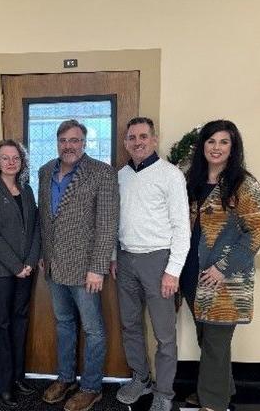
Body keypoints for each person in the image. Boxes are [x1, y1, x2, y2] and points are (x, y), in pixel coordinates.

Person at [180, 120, 260, 411]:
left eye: (223, 142)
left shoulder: (244, 183)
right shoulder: (191, 180)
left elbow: (257, 230)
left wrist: (222, 268)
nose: (216, 148)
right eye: (211, 141)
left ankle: (213, 402)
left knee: (216, 342)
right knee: (207, 338)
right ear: (202, 145)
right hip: (192, 272)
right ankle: (220, 388)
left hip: (224, 279)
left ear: (233, 148)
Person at [39, 119, 119, 411]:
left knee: (94, 329)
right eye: (63, 140)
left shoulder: (102, 173)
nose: (69, 146)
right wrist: (42, 253)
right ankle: (65, 377)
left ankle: (91, 387)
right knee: (63, 324)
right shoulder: (45, 170)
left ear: (83, 143)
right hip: (54, 266)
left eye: (75, 140)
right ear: (57, 143)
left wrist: (98, 266)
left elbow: (107, 223)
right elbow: (45, 217)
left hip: (87, 269)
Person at [112, 117, 190, 411]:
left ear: (154, 140)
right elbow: (114, 221)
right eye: (131, 137)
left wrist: (173, 271)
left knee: (164, 333)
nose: (137, 142)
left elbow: (182, 227)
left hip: (159, 262)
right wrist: (113, 256)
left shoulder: (170, 175)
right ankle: (140, 379)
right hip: (126, 259)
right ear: (125, 143)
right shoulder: (121, 176)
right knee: (130, 325)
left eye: (143, 136)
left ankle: (164, 392)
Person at [0, 139, 41, 407]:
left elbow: (36, 228)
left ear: (22, 161)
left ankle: (16, 377)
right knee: (1, 324)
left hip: (26, 270)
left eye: (15, 157)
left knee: (20, 321)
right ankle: (0, 384)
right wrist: (16, 266)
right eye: (5, 158)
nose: (11, 162)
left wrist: (29, 261)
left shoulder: (26, 190)